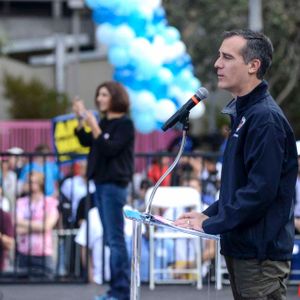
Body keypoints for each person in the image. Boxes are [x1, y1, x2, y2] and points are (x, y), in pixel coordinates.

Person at [175, 29, 298, 299]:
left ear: (253, 66)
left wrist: (212, 224)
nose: (218, 63)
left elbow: (260, 191)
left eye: (227, 57)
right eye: (219, 56)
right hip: (245, 248)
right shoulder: (245, 113)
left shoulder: (264, 118)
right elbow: (240, 187)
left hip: (259, 254)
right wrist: (207, 215)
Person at [73, 81, 134, 300]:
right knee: (111, 238)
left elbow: (109, 148)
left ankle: (120, 292)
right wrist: (81, 119)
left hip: (113, 186)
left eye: (104, 95)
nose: (99, 99)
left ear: (115, 97)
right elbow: (86, 139)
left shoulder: (125, 125)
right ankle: (115, 290)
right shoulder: (104, 123)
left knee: (115, 239)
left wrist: (94, 125)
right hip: (101, 184)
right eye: (98, 95)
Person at [16, 172, 59, 277]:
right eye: (28, 182)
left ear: (40, 183)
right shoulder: (20, 202)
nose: (28, 184)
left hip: (43, 253)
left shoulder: (50, 202)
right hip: (24, 252)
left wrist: (25, 224)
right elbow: (16, 226)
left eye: (31, 182)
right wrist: (39, 225)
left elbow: (47, 226)